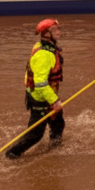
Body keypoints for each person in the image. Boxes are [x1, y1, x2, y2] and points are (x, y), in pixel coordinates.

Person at [6, 18, 66, 159]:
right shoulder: (44, 54)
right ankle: (11, 155)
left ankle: (54, 152)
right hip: (40, 98)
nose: (59, 31)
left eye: (59, 28)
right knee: (35, 135)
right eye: (55, 30)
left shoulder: (47, 46)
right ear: (46, 34)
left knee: (58, 124)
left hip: (47, 95)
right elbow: (40, 83)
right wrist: (54, 101)